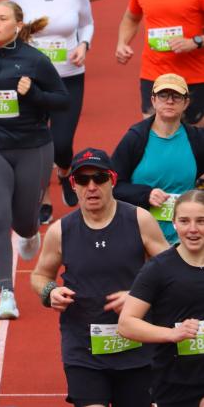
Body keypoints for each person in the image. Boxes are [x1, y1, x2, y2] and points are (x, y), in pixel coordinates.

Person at [30, 147, 169, 407]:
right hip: (83, 349)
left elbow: (170, 271)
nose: (91, 186)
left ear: (112, 180)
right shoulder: (60, 231)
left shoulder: (140, 220)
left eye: (100, 178)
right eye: (83, 180)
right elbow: (40, 275)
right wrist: (50, 291)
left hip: (137, 346)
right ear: (73, 185)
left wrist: (138, 296)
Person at [0, 0, 69, 320]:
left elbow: (61, 101)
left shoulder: (35, 61)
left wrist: (33, 94)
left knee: (22, 221)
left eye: (1, 18)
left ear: (17, 25)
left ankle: (31, 231)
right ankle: (6, 293)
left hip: (32, 147)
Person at [10, 0, 94, 222]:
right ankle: (43, 196)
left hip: (69, 76)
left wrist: (83, 45)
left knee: (62, 142)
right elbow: (13, 27)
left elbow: (86, 23)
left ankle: (66, 169)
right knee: (37, 140)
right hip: (33, 79)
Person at [118, 189, 204, 407]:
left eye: (201, 221)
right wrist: (172, 334)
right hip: (174, 381)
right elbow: (127, 324)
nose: (193, 229)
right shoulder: (158, 269)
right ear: (174, 223)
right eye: (184, 221)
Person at [117, 0, 204, 125]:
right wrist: (122, 42)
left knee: (194, 142)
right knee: (154, 136)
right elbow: (131, 18)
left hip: (193, 76)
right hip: (153, 74)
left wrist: (195, 42)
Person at [112, 73, 204, 244]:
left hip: (186, 238)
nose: (169, 101)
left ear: (186, 103)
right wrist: (146, 194)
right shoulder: (135, 138)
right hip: (141, 237)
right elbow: (112, 186)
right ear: (153, 101)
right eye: (163, 95)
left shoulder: (197, 139)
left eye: (176, 96)